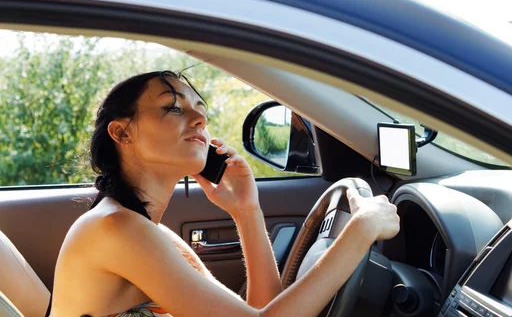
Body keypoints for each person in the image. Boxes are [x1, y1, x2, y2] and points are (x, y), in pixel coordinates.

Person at [48, 71, 400, 317]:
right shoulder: (115, 228)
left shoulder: (150, 232)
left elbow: (257, 311)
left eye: (202, 111)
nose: (199, 120)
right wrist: (361, 230)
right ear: (122, 133)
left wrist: (247, 212)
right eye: (174, 107)